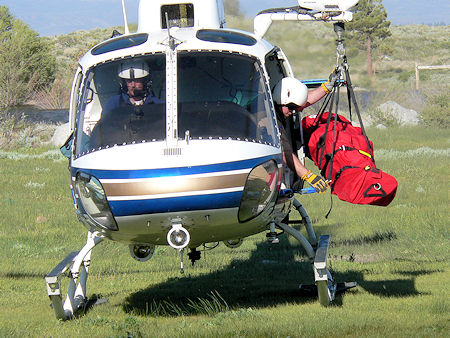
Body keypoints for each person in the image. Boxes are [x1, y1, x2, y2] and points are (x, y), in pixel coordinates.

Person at [272, 71, 338, 193]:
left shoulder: (281, 105)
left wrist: (327, 87)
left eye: (295, 108)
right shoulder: (269, 119)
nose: (293, 112)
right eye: (291, 108)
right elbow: (284, 151)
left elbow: (304, 102)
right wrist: (309, 176)